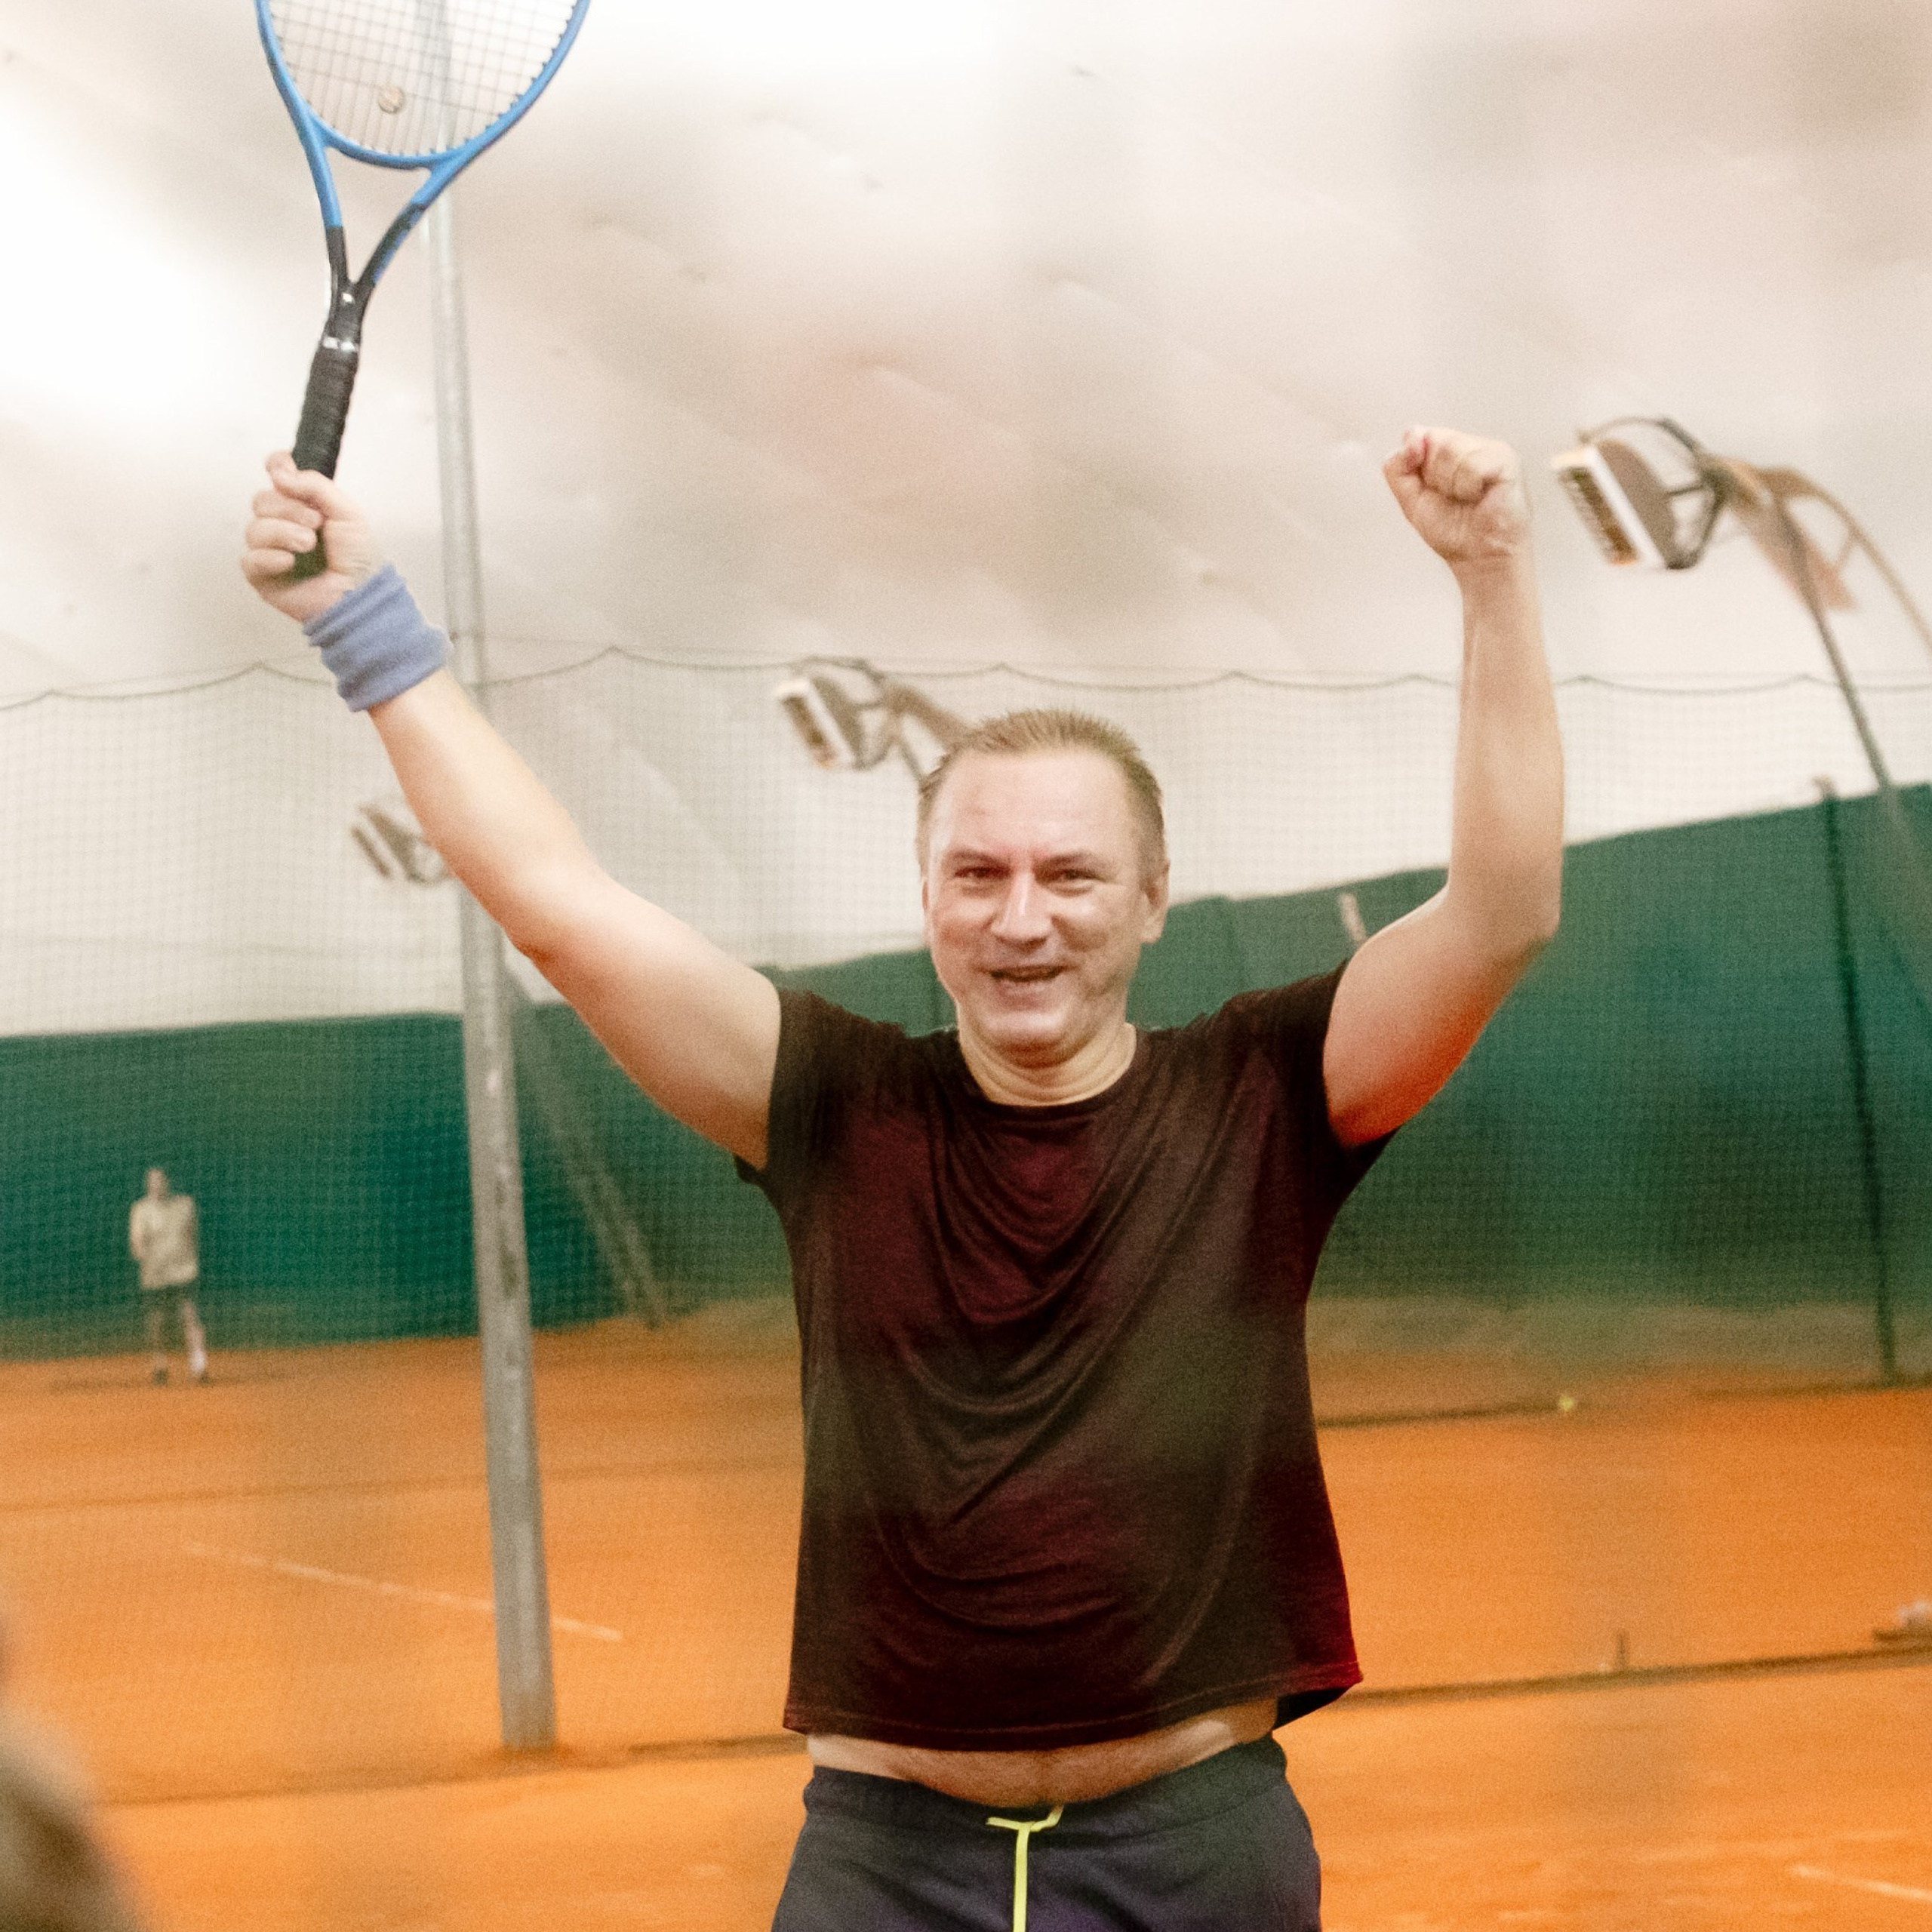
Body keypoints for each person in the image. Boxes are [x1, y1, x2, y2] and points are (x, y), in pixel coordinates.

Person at [242, 423, 1561, 1930]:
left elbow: (1500, 910)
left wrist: (1491, 577)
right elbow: (556, 906)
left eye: (1068, 876)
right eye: (975, 874)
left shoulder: (1264, 1092)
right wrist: (359, 618)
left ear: (1149, 900)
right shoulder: (830, 1102)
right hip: (884, 1866)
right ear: (924, 898)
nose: (1020, 919)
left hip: (1192, 1852)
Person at [128, 1169, 208, 1387]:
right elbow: (137, 1242)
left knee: (190, 1314)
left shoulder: (185, 1205)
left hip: (183, 1270)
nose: (157, 1185)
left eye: (160, 1180)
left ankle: (199, 1365)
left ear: (168, 1182)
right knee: (157, 1321)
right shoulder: (141, 1209)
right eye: (152, 1181)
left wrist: (190, 1260)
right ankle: (160, 1365)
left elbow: (193, 1234)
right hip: (155, 1274)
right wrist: (143, 1255)